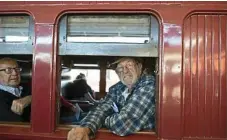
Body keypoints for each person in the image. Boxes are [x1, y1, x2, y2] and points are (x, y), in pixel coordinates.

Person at [67, 57, 156, 140]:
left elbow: (122, 125)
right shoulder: (117, 88)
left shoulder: (149, 84)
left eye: (129, 65)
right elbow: (101, 109)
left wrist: (103, 120)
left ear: (139, 66)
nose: (125, 71)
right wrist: (87, 128)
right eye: (120, 67)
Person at [0, 57, 32, 122]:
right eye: (8, 70)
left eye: (17, 69)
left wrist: (30, 98)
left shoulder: (27, 87)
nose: (15, 73)